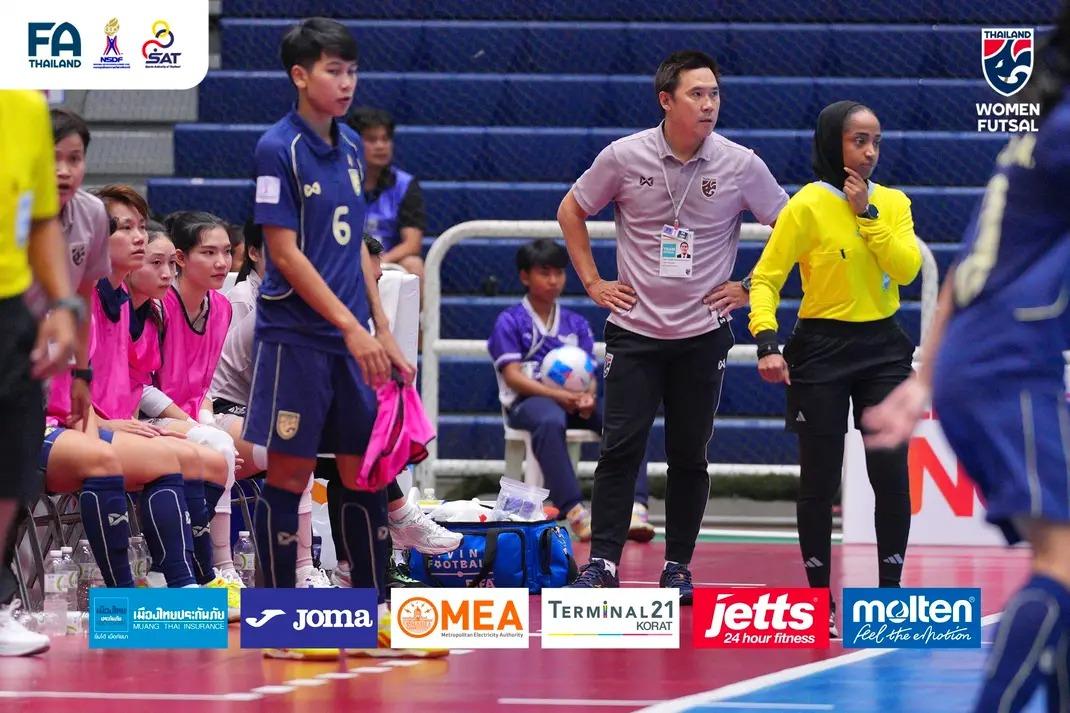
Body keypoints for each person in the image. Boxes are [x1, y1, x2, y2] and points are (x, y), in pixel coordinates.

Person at [863, 8, 1070, 710]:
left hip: (983, 363)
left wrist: (926, 378)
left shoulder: (1038, 137)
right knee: (1062, 561)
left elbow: (961, 269)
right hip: (1006, 365)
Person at [558, 50, 788, 600]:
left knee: (689, 454)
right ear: (666, 100)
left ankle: (678, 566)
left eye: (714, 94)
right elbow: (571, 210)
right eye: (696, 94)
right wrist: (593, 282)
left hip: (702, 334)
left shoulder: (740, 164)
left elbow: (791, 228)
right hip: (634, 331)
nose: (709, 105)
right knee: (620, 449)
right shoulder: (624, 156)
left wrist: (749, 285)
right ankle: (603, 562)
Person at [245, 18, 432, 658]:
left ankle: (369, 614)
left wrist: (383, 329)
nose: (346, 82)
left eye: (351, 70)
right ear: (300, 76)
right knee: (290, 474)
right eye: (333, 70)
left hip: (355, 341)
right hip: (297, 337)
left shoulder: (352, 147)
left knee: (363, 471)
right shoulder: (278, 149)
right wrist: (352, 329)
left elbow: (357, 252)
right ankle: (277, 622)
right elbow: (284, 253)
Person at [747, 101, 922, 635]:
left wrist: (868, 215)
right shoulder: (806, 206)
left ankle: (889, 598)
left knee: (889, 474)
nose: (869, 153)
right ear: (832, 143)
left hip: (884, 351)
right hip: (819, 349)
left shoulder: (893, 203)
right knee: (818, 480)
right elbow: (765, 279)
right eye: (857, 141)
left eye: (875, 142)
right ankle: (818, 601)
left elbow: (906, 269)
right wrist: (767, 341)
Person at [486, 238, 656, 542]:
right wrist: (561, 397)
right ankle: (576, 512)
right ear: (525, 276)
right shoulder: (509, 321)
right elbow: (512, 377)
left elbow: (589, 373)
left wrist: (588, 395)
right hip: (528, 404)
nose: (553, 280)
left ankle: (636, 508)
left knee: (627, 418)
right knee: (550, 419)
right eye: (544, 273)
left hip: (574, 402)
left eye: (559, 273)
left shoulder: (576, 323)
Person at [0, 90, 79, 656]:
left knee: (10, 465)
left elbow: (43, 220)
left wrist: (62, 304)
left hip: (9, 309)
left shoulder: (26, 109)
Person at [24, 109, 110, 430]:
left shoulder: (93, 213)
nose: (64, 171)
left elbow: (83, 300)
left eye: (74, 159)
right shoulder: (11, 210)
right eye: (52, 159)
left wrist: (81, 374)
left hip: (35, 367)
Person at [345, 107, 426, 278]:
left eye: (385, 139)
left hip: (387, 263)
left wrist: (379, 262)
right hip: (344, 263)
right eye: (371, 139)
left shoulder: (405, 185)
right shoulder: (336, 182)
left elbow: (412, 244)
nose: (380, 146)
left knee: (414, 264)